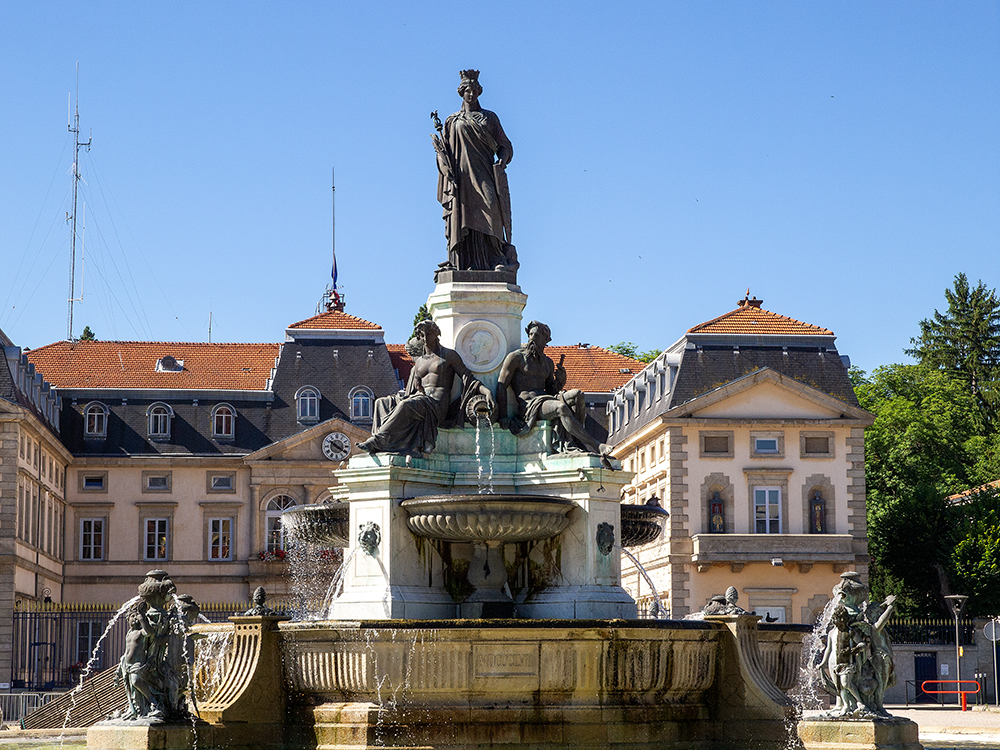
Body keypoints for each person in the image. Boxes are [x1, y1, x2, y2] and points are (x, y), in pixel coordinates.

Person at [357, 320, 493, 455]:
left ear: (436, 334)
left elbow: (467, 377)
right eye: (421, 335)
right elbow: (413, 388)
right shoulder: (420, 361)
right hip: (420, 398)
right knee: (381, 402)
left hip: (437, 403)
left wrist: (486, 391)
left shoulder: (448, 355)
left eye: (428, 333)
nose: (425, 338)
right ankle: (381, 444)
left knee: (407, 405)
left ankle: (379, 440)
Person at [433, 69, 515, 272]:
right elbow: (443, 152)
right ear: (462, 92)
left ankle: (496, 258)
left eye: (474, 90)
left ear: (479, 92)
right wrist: (445, 167)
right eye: (467, 90)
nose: (471, 94)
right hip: (462, 179)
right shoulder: (452, 121)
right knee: (463, 217)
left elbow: (506, 145)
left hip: (485, 173)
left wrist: (502, 161)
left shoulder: (489, 118)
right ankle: (463, 261)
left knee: (490, 208)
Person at [496, 321, 612, 463]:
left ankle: (575, 440)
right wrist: (503, 415)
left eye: (536, 335)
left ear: (546, 340)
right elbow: (501, 386)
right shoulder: (516, 358)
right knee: (560, 407)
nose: (532, 338)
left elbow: (552, 390)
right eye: (530, 334)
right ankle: (596, 445)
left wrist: (561, 380)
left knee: (577, 395)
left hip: (546, 400)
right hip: (529, 406)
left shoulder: (548, 363)